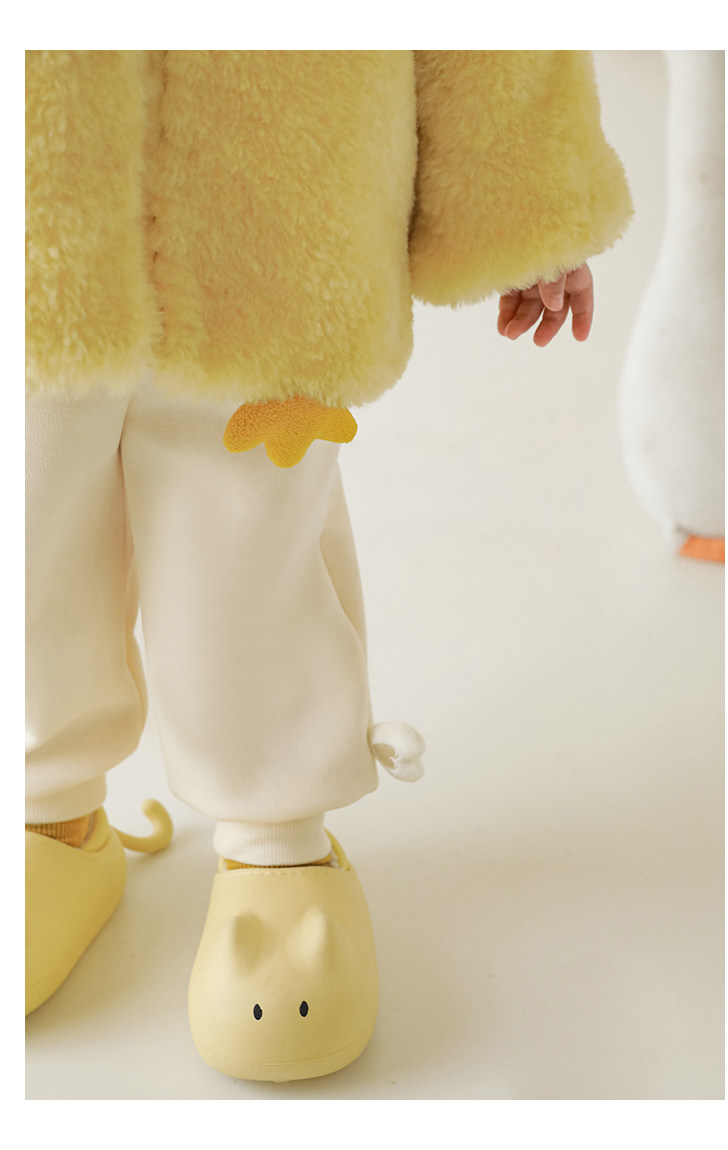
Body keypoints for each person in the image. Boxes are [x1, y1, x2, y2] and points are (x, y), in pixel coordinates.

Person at [25, 50, 632, 1082]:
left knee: (247, 536)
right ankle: (48, 812)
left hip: (278, 172)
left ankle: (275, 832)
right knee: (29, 508)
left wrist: (527, 188)